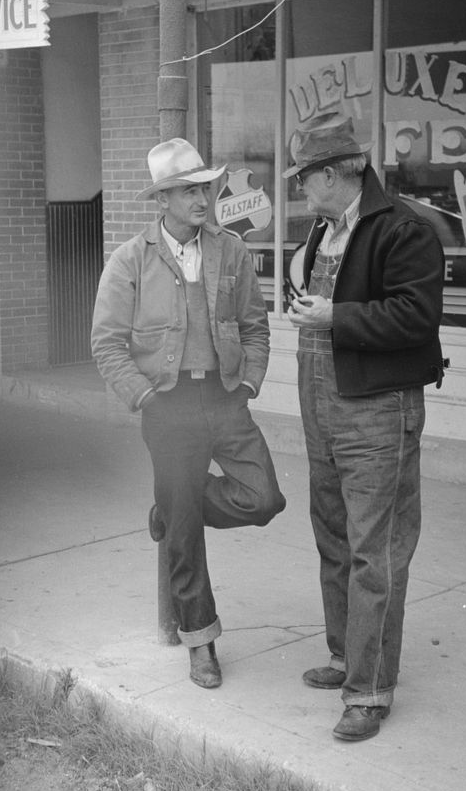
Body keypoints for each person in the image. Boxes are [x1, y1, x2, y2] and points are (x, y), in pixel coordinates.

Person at [91, 137, 286, 690]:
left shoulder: (232, 251)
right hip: (167, 405)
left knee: (264, 497)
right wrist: (146, 398)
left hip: (224, 399)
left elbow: (255, 325)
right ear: (163, 200)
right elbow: (106, 343)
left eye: (206, 187)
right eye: (189, 190)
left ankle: (171, 507)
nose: (204, 197)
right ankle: (201, 642)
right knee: (185, 533)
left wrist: (248, 383)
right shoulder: (131, 258)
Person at [285, 111, 447, 741]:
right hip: (322, 401)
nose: (301, 190)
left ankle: (370, 689)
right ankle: (344, 656)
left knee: (372, 548)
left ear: (332, 175)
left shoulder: (403, 228)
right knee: (331, 532)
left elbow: (416, 317)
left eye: (305, 178)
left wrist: (333, 314)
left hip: (378, 408)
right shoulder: (324, 230)